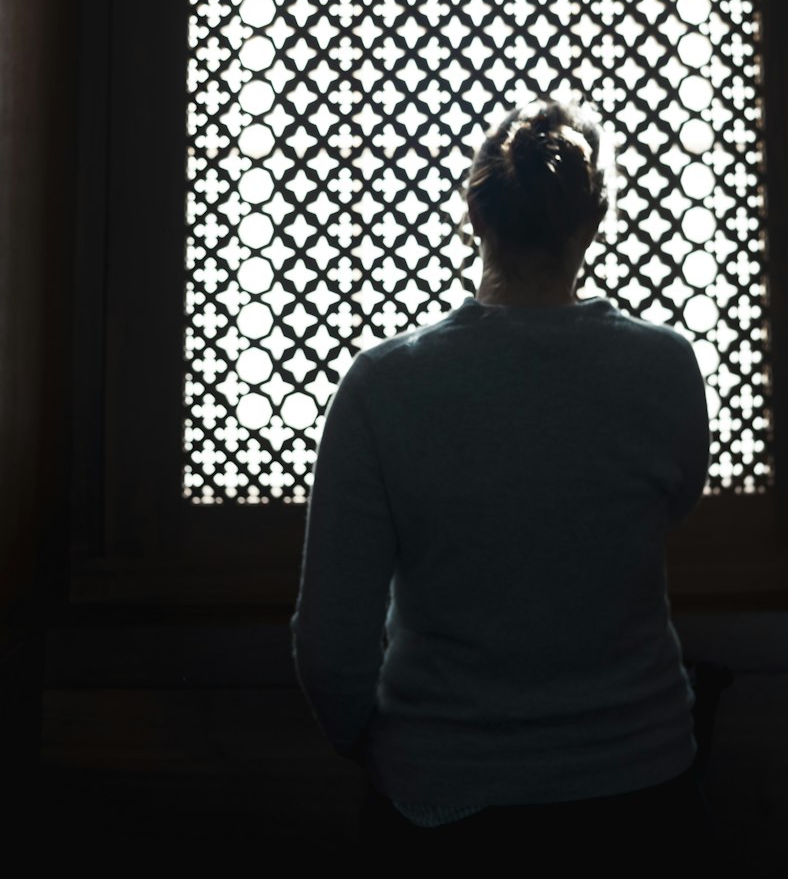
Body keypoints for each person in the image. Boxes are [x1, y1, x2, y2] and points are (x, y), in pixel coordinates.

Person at [291, 93, 715, 861]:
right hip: (640, 787)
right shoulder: (664, 368)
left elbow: (329, 645)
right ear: (591, 222)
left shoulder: (384, 385)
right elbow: (670, 506)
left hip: (443, 799)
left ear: (475, 215)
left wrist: (392, 753)